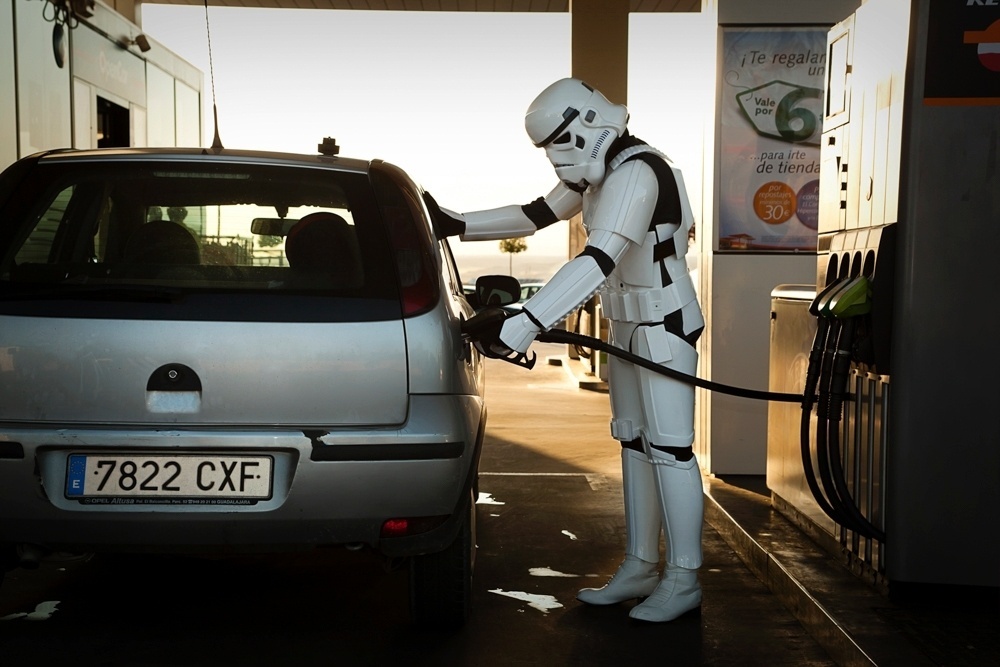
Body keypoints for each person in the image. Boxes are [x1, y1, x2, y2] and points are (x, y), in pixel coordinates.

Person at [428, 77, 705, 623]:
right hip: (628, 326)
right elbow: (536, 214)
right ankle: (643, 564)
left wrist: (528, 320)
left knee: (670, 450)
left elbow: (599, 258)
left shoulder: (637, 173)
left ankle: (684, 577)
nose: (557, 158)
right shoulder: (604, 174)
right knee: (633, 444)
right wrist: (456, 224)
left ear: (587, 125)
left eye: (560, 141)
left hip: (664, 324)